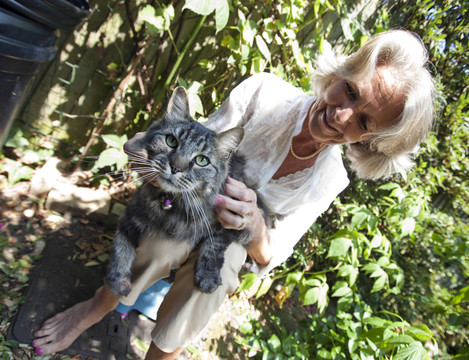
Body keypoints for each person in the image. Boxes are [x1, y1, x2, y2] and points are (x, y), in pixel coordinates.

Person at [32, 30, 435, 359]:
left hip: (233, 244)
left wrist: (254, 222)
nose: (342, 114)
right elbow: (195, 143)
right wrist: (154, 157)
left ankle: (160, 355)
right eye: (350, 90)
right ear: (339, 74)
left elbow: (271, 254)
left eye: (363, 119)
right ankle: (94, 308)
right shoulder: (264, 93)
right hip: (186, 207)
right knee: (156, 246)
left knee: (218, 274)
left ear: (371, 139)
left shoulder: (331, 180)